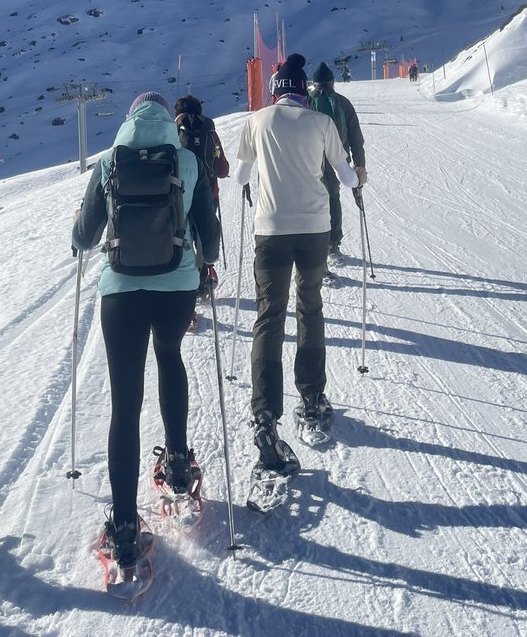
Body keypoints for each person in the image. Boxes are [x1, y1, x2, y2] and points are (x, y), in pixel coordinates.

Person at [71, 92, 219, 573]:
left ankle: (123, 524)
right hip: (176, 287)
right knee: (171, 359)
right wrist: (202, 257)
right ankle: (177, 464)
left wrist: (80, 229)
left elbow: (84, 235)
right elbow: (209, 236)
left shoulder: (110, 161)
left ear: (131, 119)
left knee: (125, 401)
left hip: (121, 292)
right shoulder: (186, 160)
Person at [234, 54, 365, 469]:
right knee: (309, 306)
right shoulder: (321, 123)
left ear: (275, 89)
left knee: (269, 316)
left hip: (270, 230)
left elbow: (239, 177)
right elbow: (345, 177)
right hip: (313, 228)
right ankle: (311, 398)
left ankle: (265, 413)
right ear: (303, 90)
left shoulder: (257, 121)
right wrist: (360, 175)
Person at [307, 62, 367, 257]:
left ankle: (316, 243)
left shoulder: (306, 102)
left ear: (314, 83)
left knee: (314, 199)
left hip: (311, 158)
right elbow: (355, 136)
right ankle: (334, 243)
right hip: (338, 157)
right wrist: (359, 165)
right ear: (333, 82)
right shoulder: (342, 102)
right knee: (333, 196)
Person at [174, 93, 229, 301]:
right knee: (204, 235)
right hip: (209, 194)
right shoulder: (211, 134)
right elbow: (223, 169)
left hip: (180, 197)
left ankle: (188, 287)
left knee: (184, 237)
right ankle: (205, 274)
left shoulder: (175, 133)